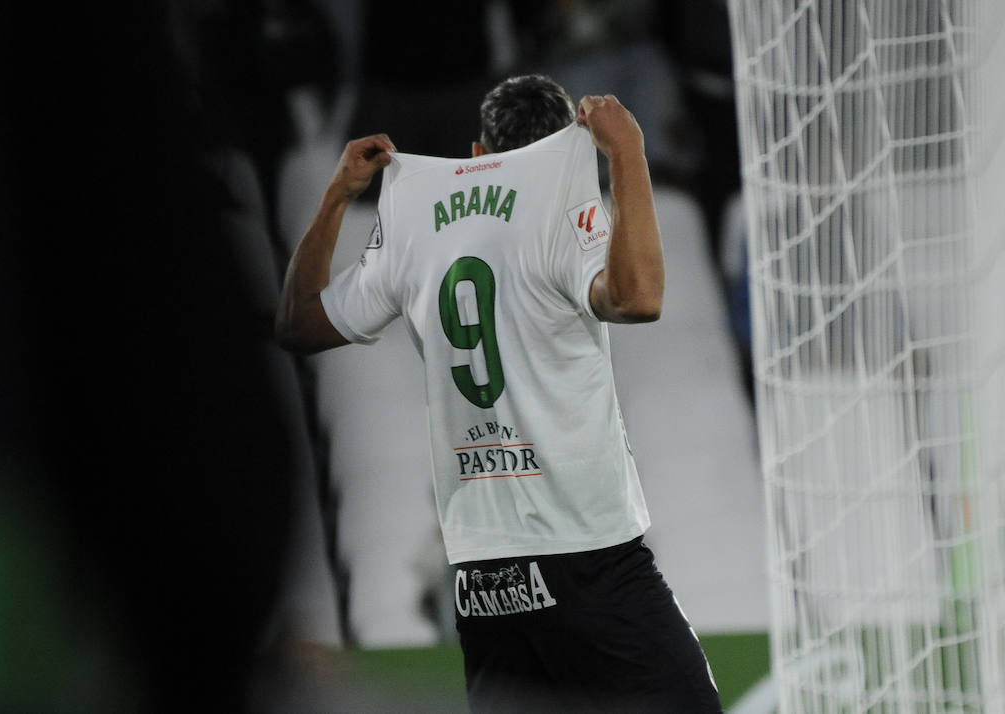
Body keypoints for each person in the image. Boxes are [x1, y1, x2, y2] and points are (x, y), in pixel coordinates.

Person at [275, 74, 722, 712]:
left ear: (479, 155)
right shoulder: (562, 211)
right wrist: (626, 153)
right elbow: (637, 297)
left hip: (485, 574)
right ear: (568, 153)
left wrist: (336, 197)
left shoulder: (418, 226)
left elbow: (298, 324)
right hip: (583, 552)